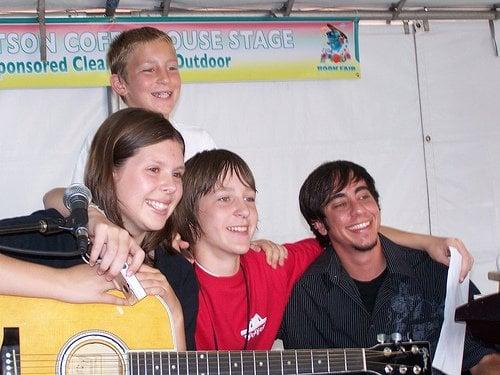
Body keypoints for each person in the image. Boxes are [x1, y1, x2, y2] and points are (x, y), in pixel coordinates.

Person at [0, 108, 195, 350]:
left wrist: (173, 314)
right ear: (111, 172)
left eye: (177, 174)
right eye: (154, 169)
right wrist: (63, 284)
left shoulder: (177, 273)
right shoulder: (61, 238)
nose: (171, 186)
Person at [280, 160, 499, 373]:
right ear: (320, 225)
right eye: (340, 204)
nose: (358, 210)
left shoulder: (436, 271)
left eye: (364, 196)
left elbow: (484, 357)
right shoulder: (308, 295)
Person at [42, 26, 216, 230]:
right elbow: (76, 201)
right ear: (120, 84)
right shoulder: (104, 139)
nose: (165, 78)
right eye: (149, 70)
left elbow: (220, 209)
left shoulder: (201, 141)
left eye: (172, 68)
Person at [172, 149, 322, 350]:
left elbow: (341, 239)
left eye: (249, 198)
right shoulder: (173, 282)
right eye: (225, 198)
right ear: (189, 212)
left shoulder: (270, 263)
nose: (244, 211)